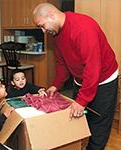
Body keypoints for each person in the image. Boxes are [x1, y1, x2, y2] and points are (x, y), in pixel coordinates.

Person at [32, 3, 118, 150]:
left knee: (98, 125)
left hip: (103, 79)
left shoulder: (83, 28)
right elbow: (62, 63)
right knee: (79, 119)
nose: (43, 30)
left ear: (51, 15)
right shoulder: (56, 34)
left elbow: (93, 68)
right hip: (81, 79)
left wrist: (82, 100)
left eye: (42, 25)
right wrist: (56, 85)